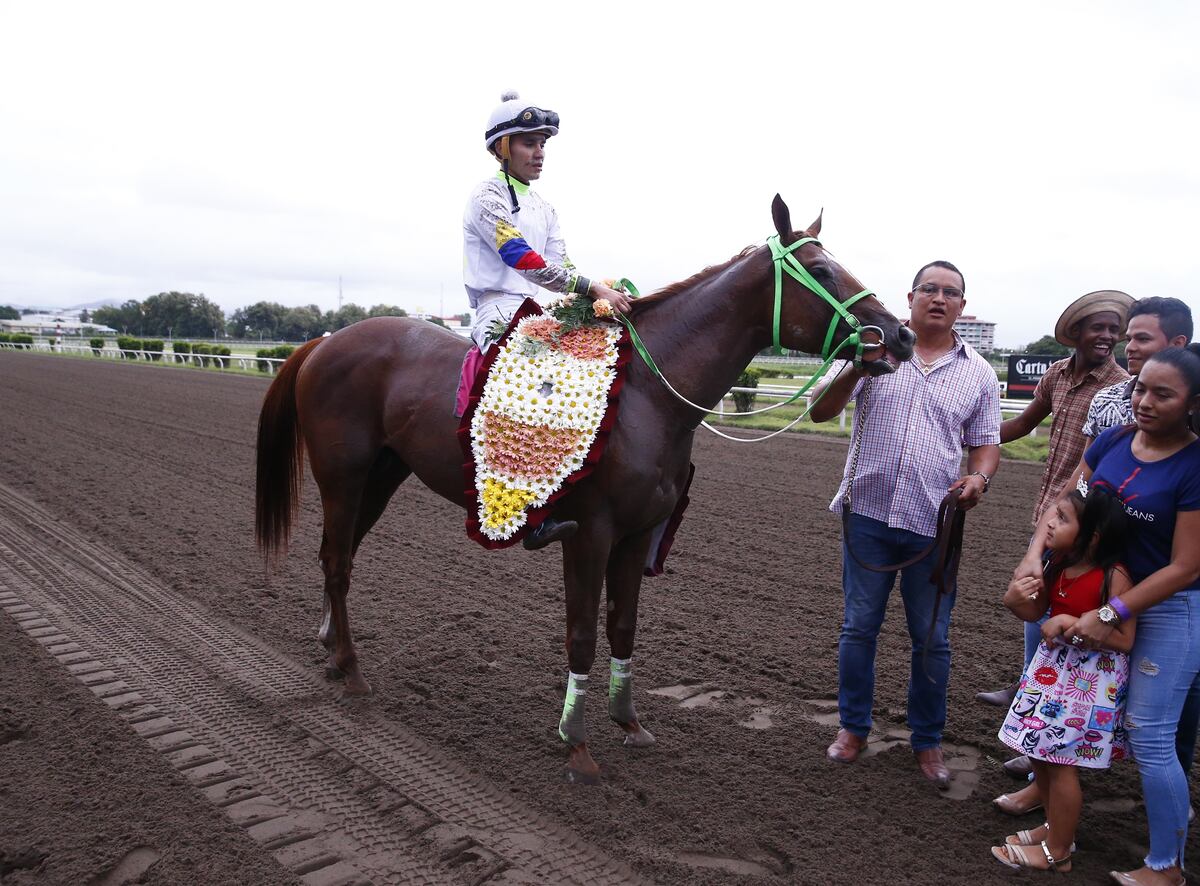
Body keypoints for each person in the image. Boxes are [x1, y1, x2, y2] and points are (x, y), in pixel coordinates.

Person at [811, 260, 1001, 786]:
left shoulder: (979, 373)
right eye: (930, 289)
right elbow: (821, 412)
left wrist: (979, 480)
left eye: (951, 292)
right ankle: (853, 727)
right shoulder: (874, 350)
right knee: (858, 628)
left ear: (962, 306)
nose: (939, 299)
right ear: (911, 297)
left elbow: (986, 444)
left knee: (932, 637)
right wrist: (858, 366)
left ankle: (928, 741)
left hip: (932, 524)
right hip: (867, 516)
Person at [1024, 345, 1200, 885]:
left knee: (1149, 735)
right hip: (1098, 600)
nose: (1144, 401)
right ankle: (1056, 829)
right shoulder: (1113, 441)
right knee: (1059, 711)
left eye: (1162, 394)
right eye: (1140, 388)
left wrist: (1111, 610)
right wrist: (1036, 556)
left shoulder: (1194, 465)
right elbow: (1066, 503)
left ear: (1193, 402)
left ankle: (1166, 868)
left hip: (1166, 610)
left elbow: (1189, 566)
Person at [461, 91, 631, 550]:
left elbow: (562, 265)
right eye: (529, 143)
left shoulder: (545, 207)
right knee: (534, 374)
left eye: (543, 144)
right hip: (498, 305)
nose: (539, 153)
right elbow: (520, 256)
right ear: (503, 148)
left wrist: (599, 292)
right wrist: (590, 288)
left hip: (541, 305)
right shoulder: (486, 196)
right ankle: (521, 503)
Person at [976, 290, 1133, 715]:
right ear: (1075, 333)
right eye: (1098, 328)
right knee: (1038, 604)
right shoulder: (1058, 374)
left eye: (1114, 330)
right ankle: (1031, 686)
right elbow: (1025, 424)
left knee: (1060, 610)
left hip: (1085, 522)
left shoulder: (1120, 390)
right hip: (1051, 511)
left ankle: (1045, 704)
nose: (1108, 337)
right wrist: (965, 437)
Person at [990, 488, 1135, 873]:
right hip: (1053, 674)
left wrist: (1071, 624)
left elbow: (1125, 639)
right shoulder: (1058, 563)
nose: (1049, 523)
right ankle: (1056, 830)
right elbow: (1037, 610)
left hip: (1087, 684)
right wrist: (1013, 599)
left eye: (1063, 519)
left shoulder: (1113, 576)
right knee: (1041, 753)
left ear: (1093, 536)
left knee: (1061, 762)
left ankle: (1058, 853)